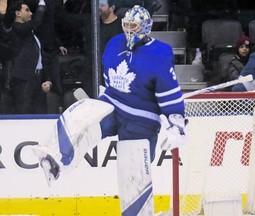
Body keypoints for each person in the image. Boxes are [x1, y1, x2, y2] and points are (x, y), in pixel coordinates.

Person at [34, 5, 187, 216]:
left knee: (131, 177)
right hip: (112, 105)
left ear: (145, 27)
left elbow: (169, 93)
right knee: (81, 113)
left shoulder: (160, 53)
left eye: (134, 26)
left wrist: (177, 124)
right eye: (126, 25)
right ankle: (55, 159)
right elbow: (109, 78)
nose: (129, 30)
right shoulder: (115, 43)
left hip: (140, 121)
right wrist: (103, 98)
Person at [5, 0, 52, 114]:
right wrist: (41, 6)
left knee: (40, 113)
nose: (31, 13)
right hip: (23, 78)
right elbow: (36, 22)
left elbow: (39, 56)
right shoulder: (16, 29)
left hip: (37, 79)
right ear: (18, 13)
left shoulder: (30, 33)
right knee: (24, 112)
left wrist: (47, 79)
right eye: (27, 10)